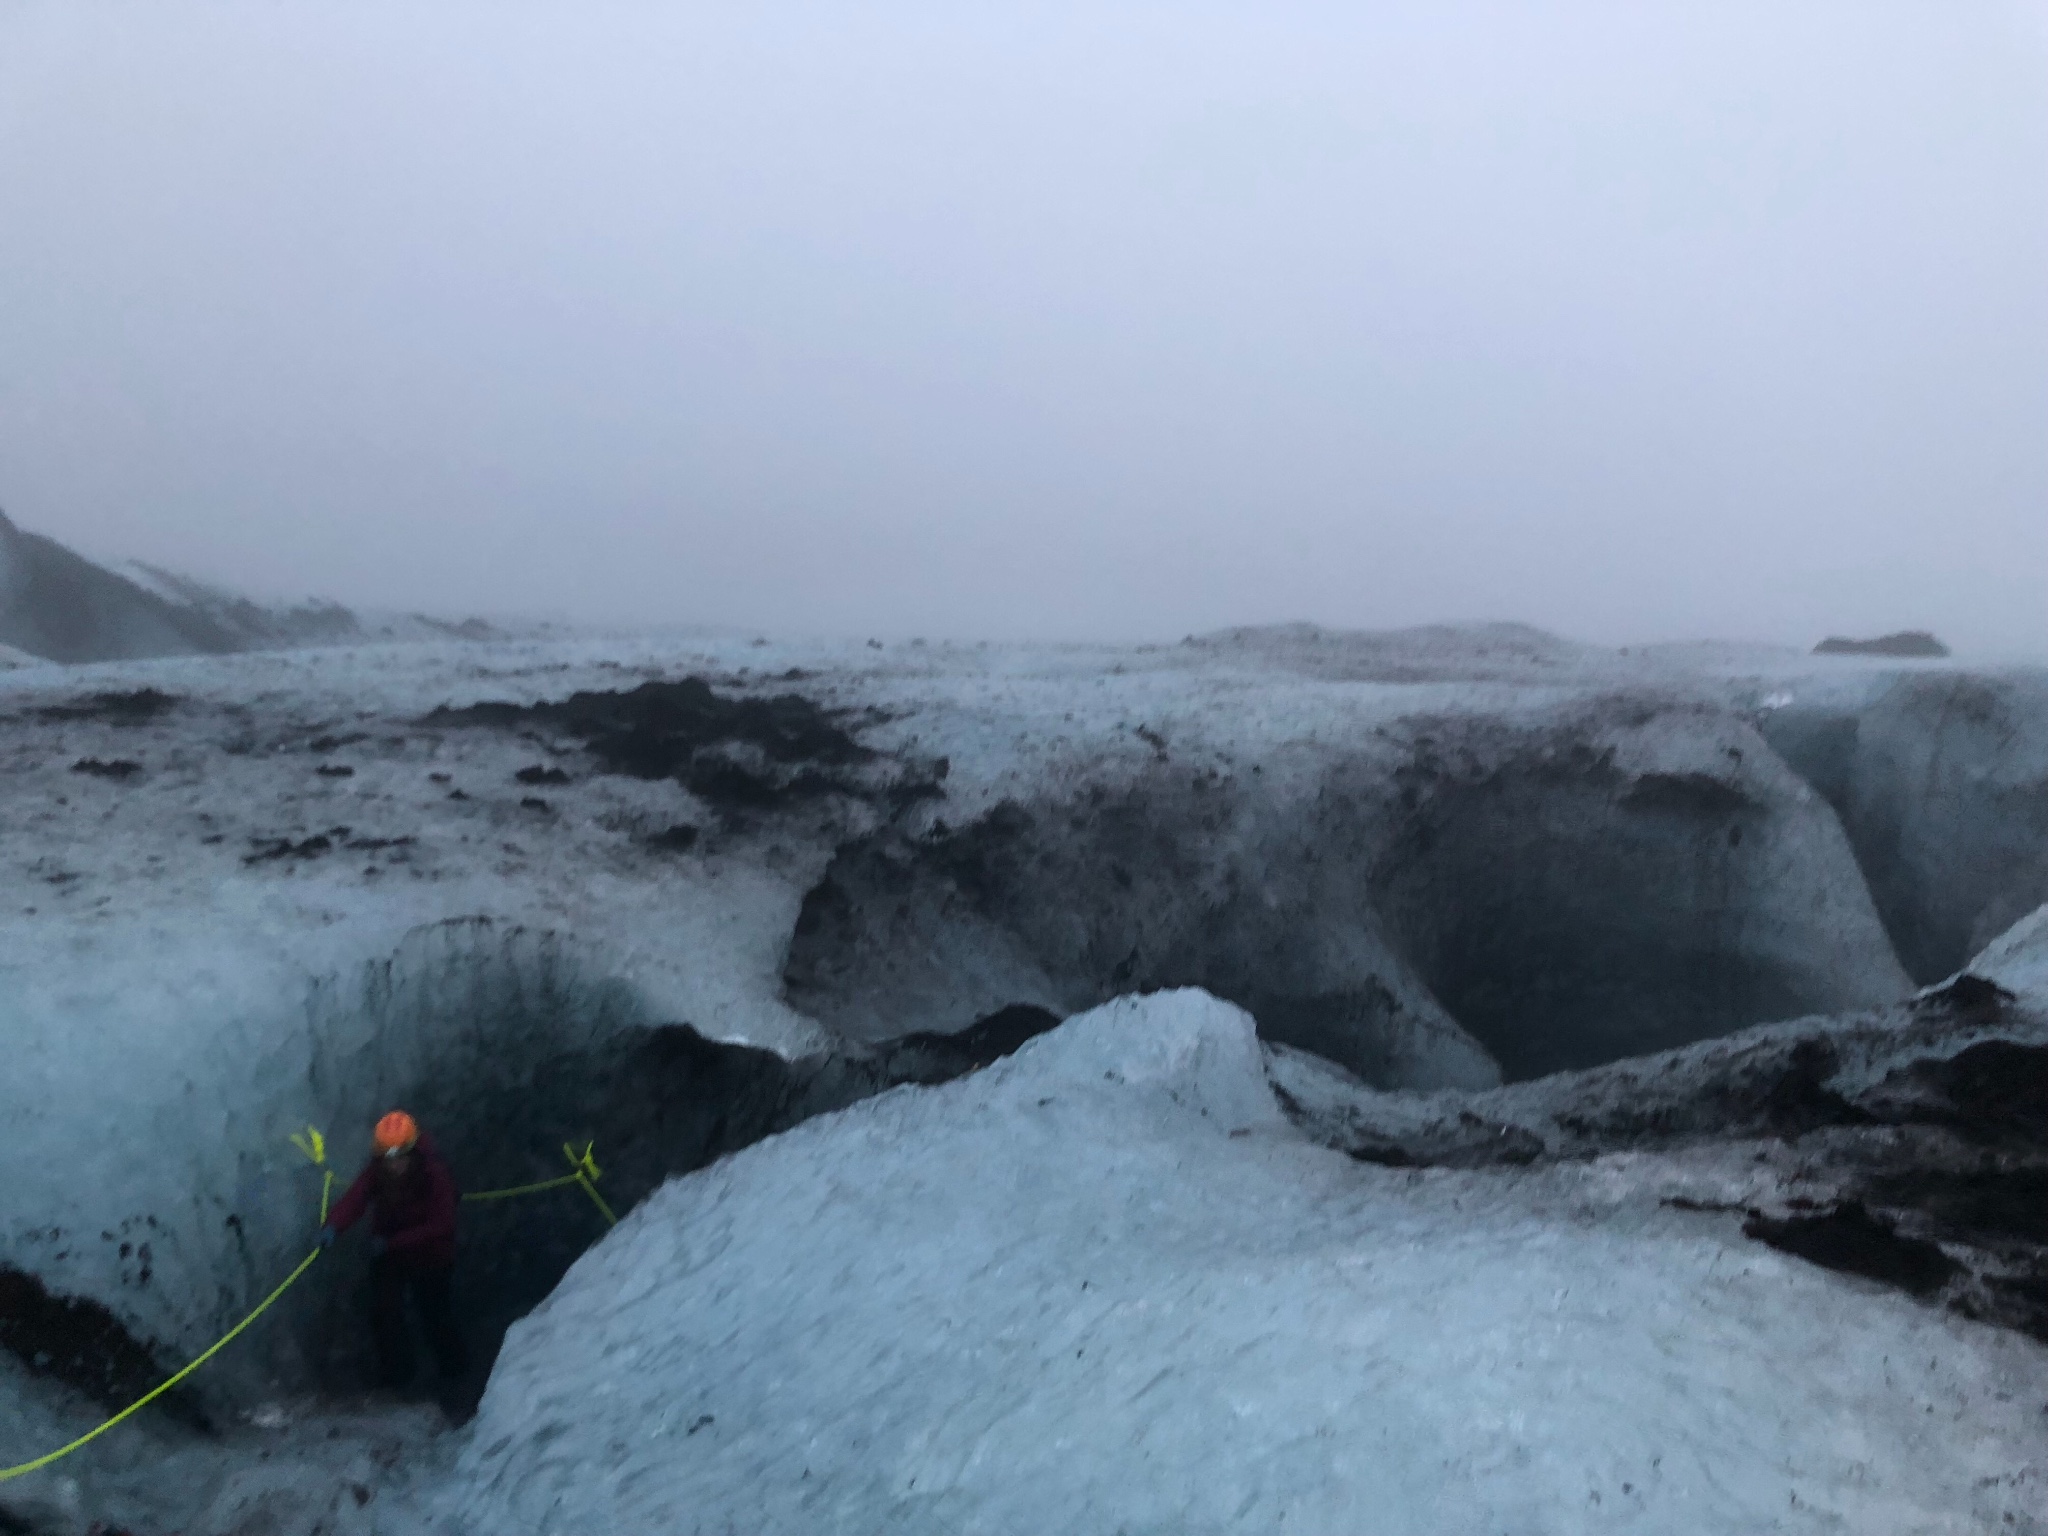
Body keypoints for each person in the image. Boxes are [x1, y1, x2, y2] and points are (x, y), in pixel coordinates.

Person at [320, 1110, 469, 1390]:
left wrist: (393, 1242)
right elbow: (356, 1198)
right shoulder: (379, 1171)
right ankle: (397, 1380)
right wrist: (333, 1226)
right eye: (386, 1155)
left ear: (412, 1151)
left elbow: (442, 1225)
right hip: (390, 1254)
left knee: (435, 1317)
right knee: (384, 1314)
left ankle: (456, 1377)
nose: (393, 1163)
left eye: (398, 1155)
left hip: (430, 1256)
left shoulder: (434, 1174)